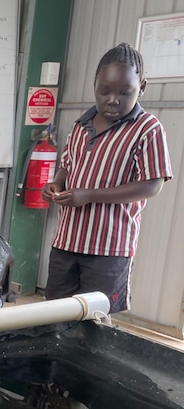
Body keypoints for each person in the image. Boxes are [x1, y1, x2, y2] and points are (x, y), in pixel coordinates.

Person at [41, 43, 173, 313]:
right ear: (95, 86)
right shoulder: (80, 125)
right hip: (66, 242)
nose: (113, 99)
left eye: (125, 92)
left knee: (96, 320)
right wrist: (56, 183)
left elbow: (152, 184)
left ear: (142, 87)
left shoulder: (148, 129)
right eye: (105, 91)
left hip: (109, 250)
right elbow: (67, 164)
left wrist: (89, 195)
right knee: (54, 314)